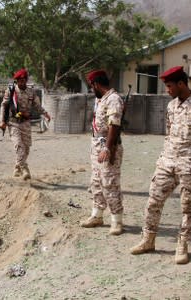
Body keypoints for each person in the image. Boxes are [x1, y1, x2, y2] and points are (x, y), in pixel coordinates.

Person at [130, 66, 191, 264]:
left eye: (169, 86)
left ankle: (182, 246)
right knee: (153, 200)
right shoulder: (171, 106)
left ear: (181, 84)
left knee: (187, 206)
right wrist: (163, 157)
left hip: (190, 163)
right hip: (167, 161)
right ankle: (148, 240)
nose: (167, 90)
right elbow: (169, 133)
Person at [80, 70, 125, 235]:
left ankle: (116, 221)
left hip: (108, 145)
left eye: (91, 86)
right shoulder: (101, 99)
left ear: (96, 84)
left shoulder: (113, 99)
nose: (91, 89)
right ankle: (97, 215)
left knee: (110, 183)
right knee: (96, 182)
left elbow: (114, 125)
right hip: (97, 145)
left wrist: (107, 147)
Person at [0, 69, 51, 180]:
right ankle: (25, 168)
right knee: (19, 145)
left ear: (26, 80)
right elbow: (4, 105)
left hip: (26, 123)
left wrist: (45, 113)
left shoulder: (31, 92)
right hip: (13, 122)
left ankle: (17, 166)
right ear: (16, 81)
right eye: (19, 81)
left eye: (23, 80)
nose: (22, 82)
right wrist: (2, 121)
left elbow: (37, 106)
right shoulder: (11, 91)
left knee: (26, 148)